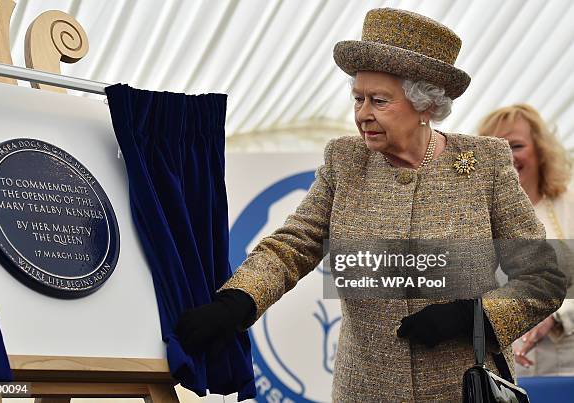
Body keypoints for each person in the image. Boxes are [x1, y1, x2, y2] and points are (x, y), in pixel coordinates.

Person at [176, 8, 566, 401]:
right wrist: (238, 300)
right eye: (358, 98)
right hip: (364, 389)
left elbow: (544, 278)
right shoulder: (346, 161)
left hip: (461, 389)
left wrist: (473, 317)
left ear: (425, 104)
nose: (363, 114)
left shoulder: (486, 163)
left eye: (379, 101)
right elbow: (292, 245)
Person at [479, 104, 574, 376]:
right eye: (496, 147)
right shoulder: (475, 215)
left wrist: (555, 316)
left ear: (541, 150)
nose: (506, 156)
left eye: (516, 145)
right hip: (504, 372)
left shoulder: (569, 204)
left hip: (566, 366)